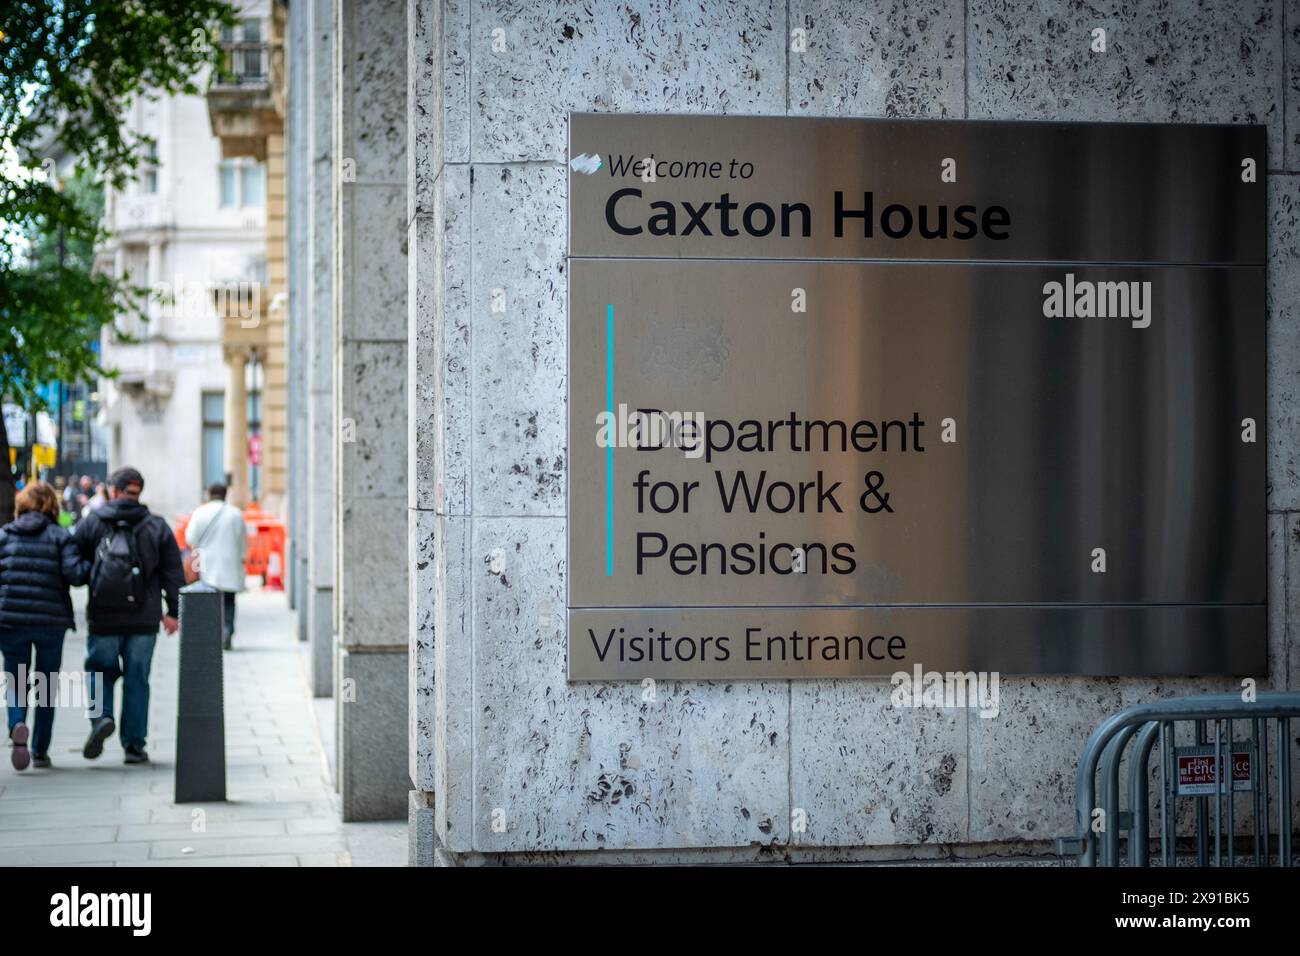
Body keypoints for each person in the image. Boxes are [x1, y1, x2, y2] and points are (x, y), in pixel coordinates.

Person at [73, 467, 184, 765]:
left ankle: (101, 718)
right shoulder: (156, 526)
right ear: (138, 491)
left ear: (113, 489)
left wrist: (91, 575)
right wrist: (173, 612)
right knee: (138, 680)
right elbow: (173, 574)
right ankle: (134, 745)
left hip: (103, 617)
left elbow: (73, 563)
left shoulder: (93, 522)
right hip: (143, 619)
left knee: (99, 670)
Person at [0, 482, 89, 770]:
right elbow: (75, 575)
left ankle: (17, 724)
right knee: (46, 685)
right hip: (51, 621)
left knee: (16, 680)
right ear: (52, 505)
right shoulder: (59, 536)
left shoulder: (4, 536)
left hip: (11, 619)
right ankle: (40, 750)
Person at [184, 483, 247, 650]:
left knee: (209, 601)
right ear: (225, 494)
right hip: (230, 563)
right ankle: (227, 630)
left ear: (209, 494)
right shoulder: (235, 514)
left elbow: (191, 539)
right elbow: (243, 541)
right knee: (228, 601)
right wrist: (242, 559)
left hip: (207, 564)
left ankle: (212, 633)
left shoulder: (200, 512)